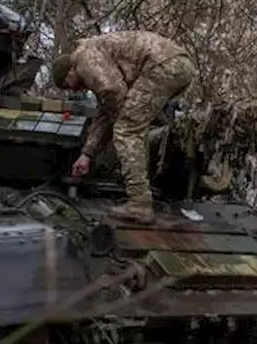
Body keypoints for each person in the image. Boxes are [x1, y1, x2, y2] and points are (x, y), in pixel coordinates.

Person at [51, 30, 196, 218]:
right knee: (132, 127)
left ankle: (139, 203)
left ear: (69, 71)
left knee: (126, 130)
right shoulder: (95, 59)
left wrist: (120, 122)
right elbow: (105, 110)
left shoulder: (84, 60)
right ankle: (142, 192)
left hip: (162, 65)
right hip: (177, 65)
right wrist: (87, 154)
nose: (74, 89)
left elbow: (113, 90)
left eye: (67, 84)